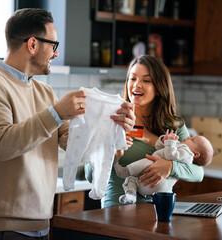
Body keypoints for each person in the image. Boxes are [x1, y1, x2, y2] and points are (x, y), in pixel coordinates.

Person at [0, 8, 135, 240]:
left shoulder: (44, 91)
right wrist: (55, 113)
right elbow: (1, 145)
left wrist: (113, 132)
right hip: (1, 229)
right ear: (33, 44)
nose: (56, 54)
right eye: (53, 45)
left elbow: (73, 141)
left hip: (41, 224)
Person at [85, 55, 204, 208]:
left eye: (146, 80)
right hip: (117, 211)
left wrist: (170, 167)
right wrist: (111, 153)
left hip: (160, 212)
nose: (136, 85)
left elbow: (198, 173)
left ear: (160, 88)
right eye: (132, 79)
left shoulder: (174, 125)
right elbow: (89, 175)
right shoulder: (113, 119)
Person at [114, 129, 213, 204]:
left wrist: (170, 167)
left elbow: (199, 172)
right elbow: (162, 147)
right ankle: (130, 194)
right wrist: (164, 141)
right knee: (132, 178)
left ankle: (125, 171)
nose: (189, 138)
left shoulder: (176, 128)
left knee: (148, 162)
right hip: (119, 202)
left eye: (193, 139)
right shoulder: (120, 118)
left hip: (158, 202)